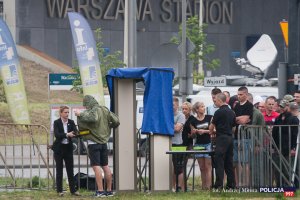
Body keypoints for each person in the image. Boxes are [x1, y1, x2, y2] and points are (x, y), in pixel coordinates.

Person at [75, 95, 113, 197]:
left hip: (94, 144)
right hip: (104, 143)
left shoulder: (94, 111)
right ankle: (109, 191)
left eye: (86, 105)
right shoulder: (104, 110)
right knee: (105, 166)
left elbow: (93, 118)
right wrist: (108, 128)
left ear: (89, 103)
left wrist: (80, 114)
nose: (86, 108)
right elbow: (116, 121)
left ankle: (100, 191)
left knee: (96, 167)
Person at [209, 93, 236, 189]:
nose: (215, 102)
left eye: (215, 100)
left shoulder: (218, 112)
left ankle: (219, 185)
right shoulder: (232, 112)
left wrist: (212, 132)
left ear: (220, 100)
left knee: (219, 161)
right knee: (229, 162)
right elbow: (234, 128)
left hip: (221, 138)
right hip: (230, 138)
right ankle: (231, 185)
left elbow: (211, 127)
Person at [52, 105, 80, 196]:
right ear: (61, 113)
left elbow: (75, 132)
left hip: (68, 148)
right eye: (65, 112)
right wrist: (67, 134)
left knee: (70, 170)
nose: (67, 114)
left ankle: (73, 190)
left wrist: (75, 134)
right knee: (59, 170)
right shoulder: (56, 122)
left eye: (68, 112)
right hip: (59, 149)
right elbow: (57, 134)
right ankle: (60, 191)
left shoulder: (71, 122)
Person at [272, 99, 299, 187]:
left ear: (288, 107)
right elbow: (274, 133)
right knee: (278, 170)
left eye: (284, 107)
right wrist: (273, 146)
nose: (282, 108)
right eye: (281, 106)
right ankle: (279, 187)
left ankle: (289, 188)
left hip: (288, 148)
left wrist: (293, 148)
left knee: (288, 170)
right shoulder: (278, 118)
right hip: (278, 148)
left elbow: (295, 135)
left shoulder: (293, 119)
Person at [233, 86, 253, 187]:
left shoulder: (249, 106)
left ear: (246, 94)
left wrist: (239, 119)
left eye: (241, 94)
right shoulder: (236, 106)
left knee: (245, 162)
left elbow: (245, 120)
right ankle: (238, 184)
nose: (239, 96)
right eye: (238, 94)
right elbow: (235, 119)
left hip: (246, 137)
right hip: (236, 136)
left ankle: (245, 184)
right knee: (236, 161)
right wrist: (239, 118)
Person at [190, 101, 213, 190]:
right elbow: (193, 136)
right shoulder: (193, 120)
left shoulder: (209, 118)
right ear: (197, 109)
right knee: (202, 167)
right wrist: (193, 132)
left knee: (208, 166)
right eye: (202, 106)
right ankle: (204, 187)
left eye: (204, 106)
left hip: (208, 143)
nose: (204, 108)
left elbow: (212, 130)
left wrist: (204, 131)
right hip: (198, 144)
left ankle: (209, 186)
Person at [172, 97, 186, 191]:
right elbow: (175, 127)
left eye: (173, 105)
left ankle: (179, 187)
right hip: (168, 144)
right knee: (171, 167)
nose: (171, 106)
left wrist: (167, 125)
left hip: (178, 144)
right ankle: (172, 187)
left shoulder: (181, 115)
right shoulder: (167, 114)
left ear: (177, 105)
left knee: (179, 168)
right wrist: (174, 125)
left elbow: (177, 129)